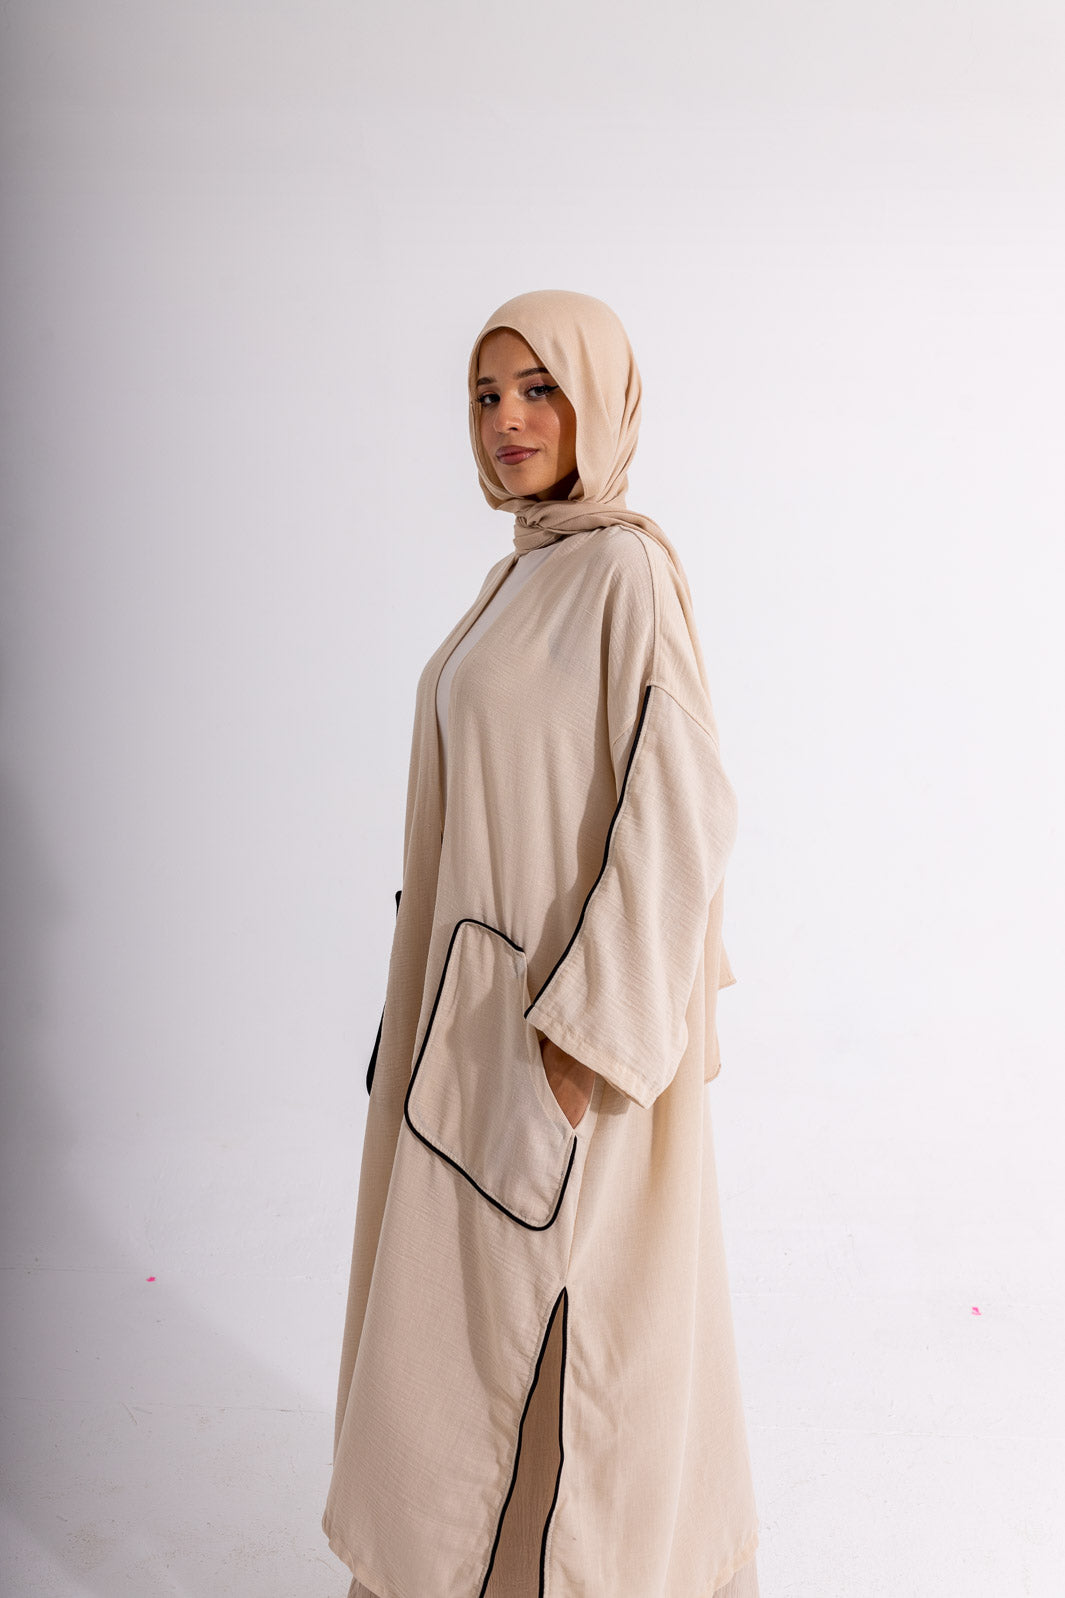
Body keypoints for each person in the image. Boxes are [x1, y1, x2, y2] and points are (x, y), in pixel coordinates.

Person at [323, 288, 760, 1598]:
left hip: (560, 1045)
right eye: (485, 395)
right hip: (467, 1034)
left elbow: (684, 809)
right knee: (449, 1333)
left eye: (538, 389)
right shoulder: (521, 572)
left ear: (600, 400)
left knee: (569, 1332)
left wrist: (580, 1049)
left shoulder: (623, 570)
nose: (507, 420)